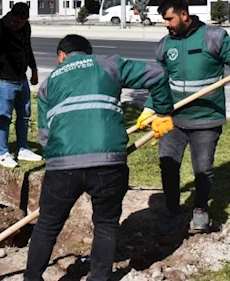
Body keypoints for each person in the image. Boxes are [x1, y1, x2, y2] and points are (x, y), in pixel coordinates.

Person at [24, 34, 174, 281]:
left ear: (61, 56)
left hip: (63, 166)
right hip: (109, 162)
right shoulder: (108, 64)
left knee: (47, 225)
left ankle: (32, 278)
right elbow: (158, 73)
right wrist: (163, 111)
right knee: (105, 223)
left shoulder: (48, 84)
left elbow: (44, 136)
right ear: (88, 53)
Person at [136, 0, 230, 235]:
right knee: (168, 166)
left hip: (206, 119)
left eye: (169, 19)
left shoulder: (213, 37)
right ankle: (172, 209)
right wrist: (150, 109)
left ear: (184, 15)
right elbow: (160, 83)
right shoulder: (164, 45)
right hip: (172, 119)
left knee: (202, 169)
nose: (166, 24)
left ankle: (200, 209)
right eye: (163, 20)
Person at [0, 2, 41, 168]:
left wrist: (34, 69)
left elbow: (27, 47)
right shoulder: (0, 26)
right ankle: (3, 153)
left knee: (24, 115)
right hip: (4, 80)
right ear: (11, 15)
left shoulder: (26, 27)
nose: (19, 25)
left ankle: (23, 148)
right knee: (5, 117)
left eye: (22, 22)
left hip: (21, 78)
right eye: (16, 22)